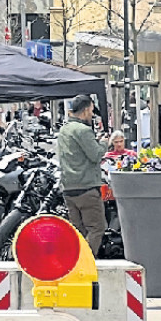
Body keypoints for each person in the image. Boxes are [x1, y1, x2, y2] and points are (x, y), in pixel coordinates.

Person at [57, 94, 108, 255]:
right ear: (86, 110)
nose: (92, 114)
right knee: (97, 228)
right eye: (92, 110)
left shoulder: (64, 129)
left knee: (78, 231)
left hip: (69, 188)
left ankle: (74, 260)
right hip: (86, 187)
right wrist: (105, 143)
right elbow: (95, 154)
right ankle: (83, 262)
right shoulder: (83, 130)